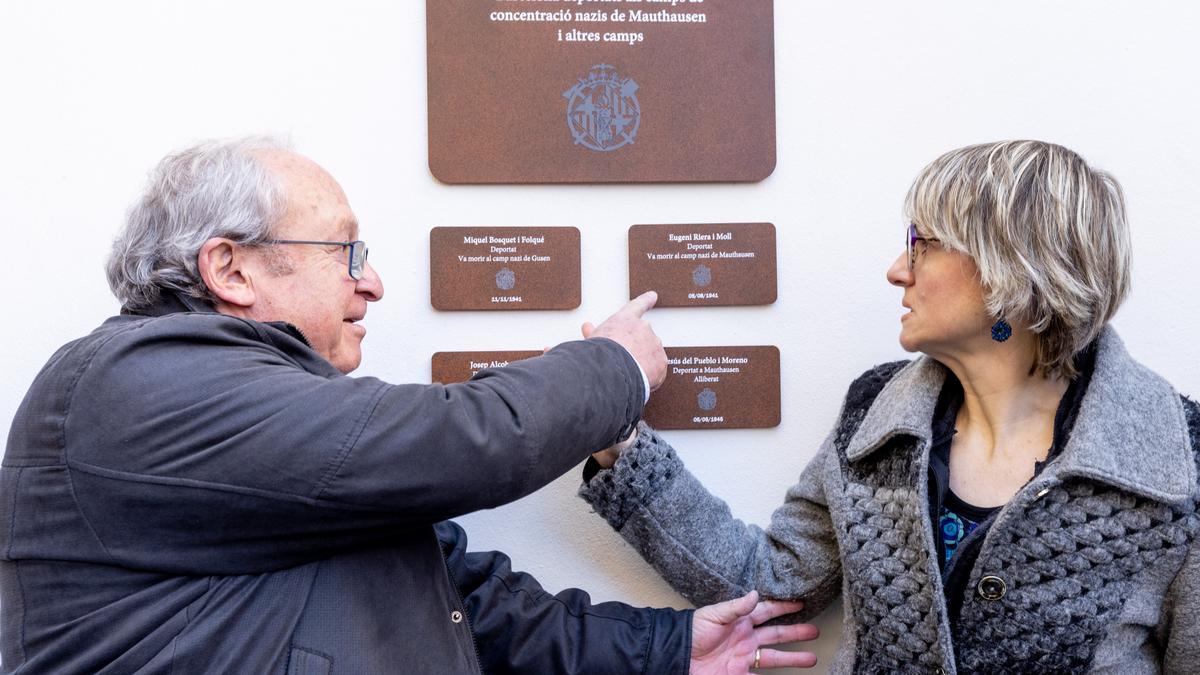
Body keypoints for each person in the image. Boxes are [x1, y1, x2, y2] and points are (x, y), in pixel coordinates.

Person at [0, 137, 818, 673]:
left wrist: (669, 648)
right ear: (232, 270)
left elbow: (460, 598)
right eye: (345, 249)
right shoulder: (134, 383)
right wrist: (614, 368)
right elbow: (459, 438)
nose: (373, 281)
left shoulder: (276, 438)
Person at [580, 140, 1200, 674]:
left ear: (1013, 268)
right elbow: (770, 586)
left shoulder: (1180, 470)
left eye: (921, 244)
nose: (896, 271)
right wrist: (617, 432)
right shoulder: (877, 415)